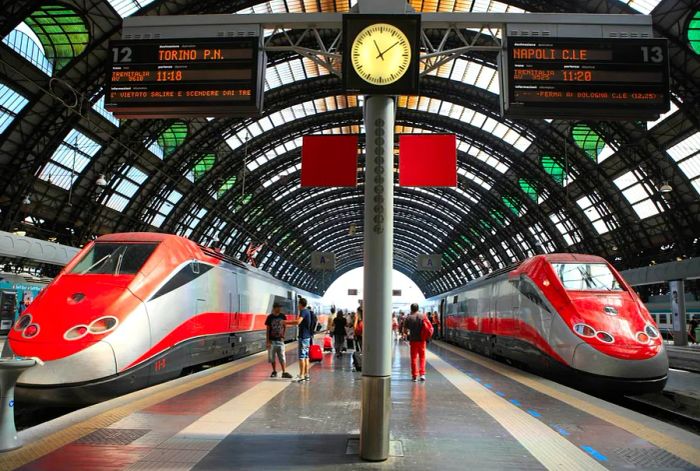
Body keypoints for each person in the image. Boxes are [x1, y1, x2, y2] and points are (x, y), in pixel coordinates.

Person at [286, 297, 314, 382]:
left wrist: (285, 322)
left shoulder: (303, 311)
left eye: (298, 304)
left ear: (301, 304)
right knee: (306, 357)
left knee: (302, 357)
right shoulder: (308, 312)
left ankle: (301, 375)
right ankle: (306, 375)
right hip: (307, 337)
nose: (298, 305)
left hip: (303, 337)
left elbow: (298, 322)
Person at [265, 302, 292, 378]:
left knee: (282, 357)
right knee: (272, 357)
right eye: (278, 307)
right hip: (272, 341)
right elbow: (268, 329)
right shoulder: (270, 317)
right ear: (274, 308)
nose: (280, 309)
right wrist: (267, 341)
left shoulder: (283, 316)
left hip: (280, 340)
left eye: (280, 307)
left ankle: (284, 372)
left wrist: (283, 335)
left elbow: (285, 326)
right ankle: (274, 371)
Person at [403, 303, 428, 382]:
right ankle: (422, 374)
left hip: (413, 340)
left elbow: (405, 330)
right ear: (418, 308)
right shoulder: (423, 316)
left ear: (411, 309)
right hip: (422, 340)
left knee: (413, 358)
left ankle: (414, 376)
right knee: (422, 357)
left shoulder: (408, 318)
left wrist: (407, 334)